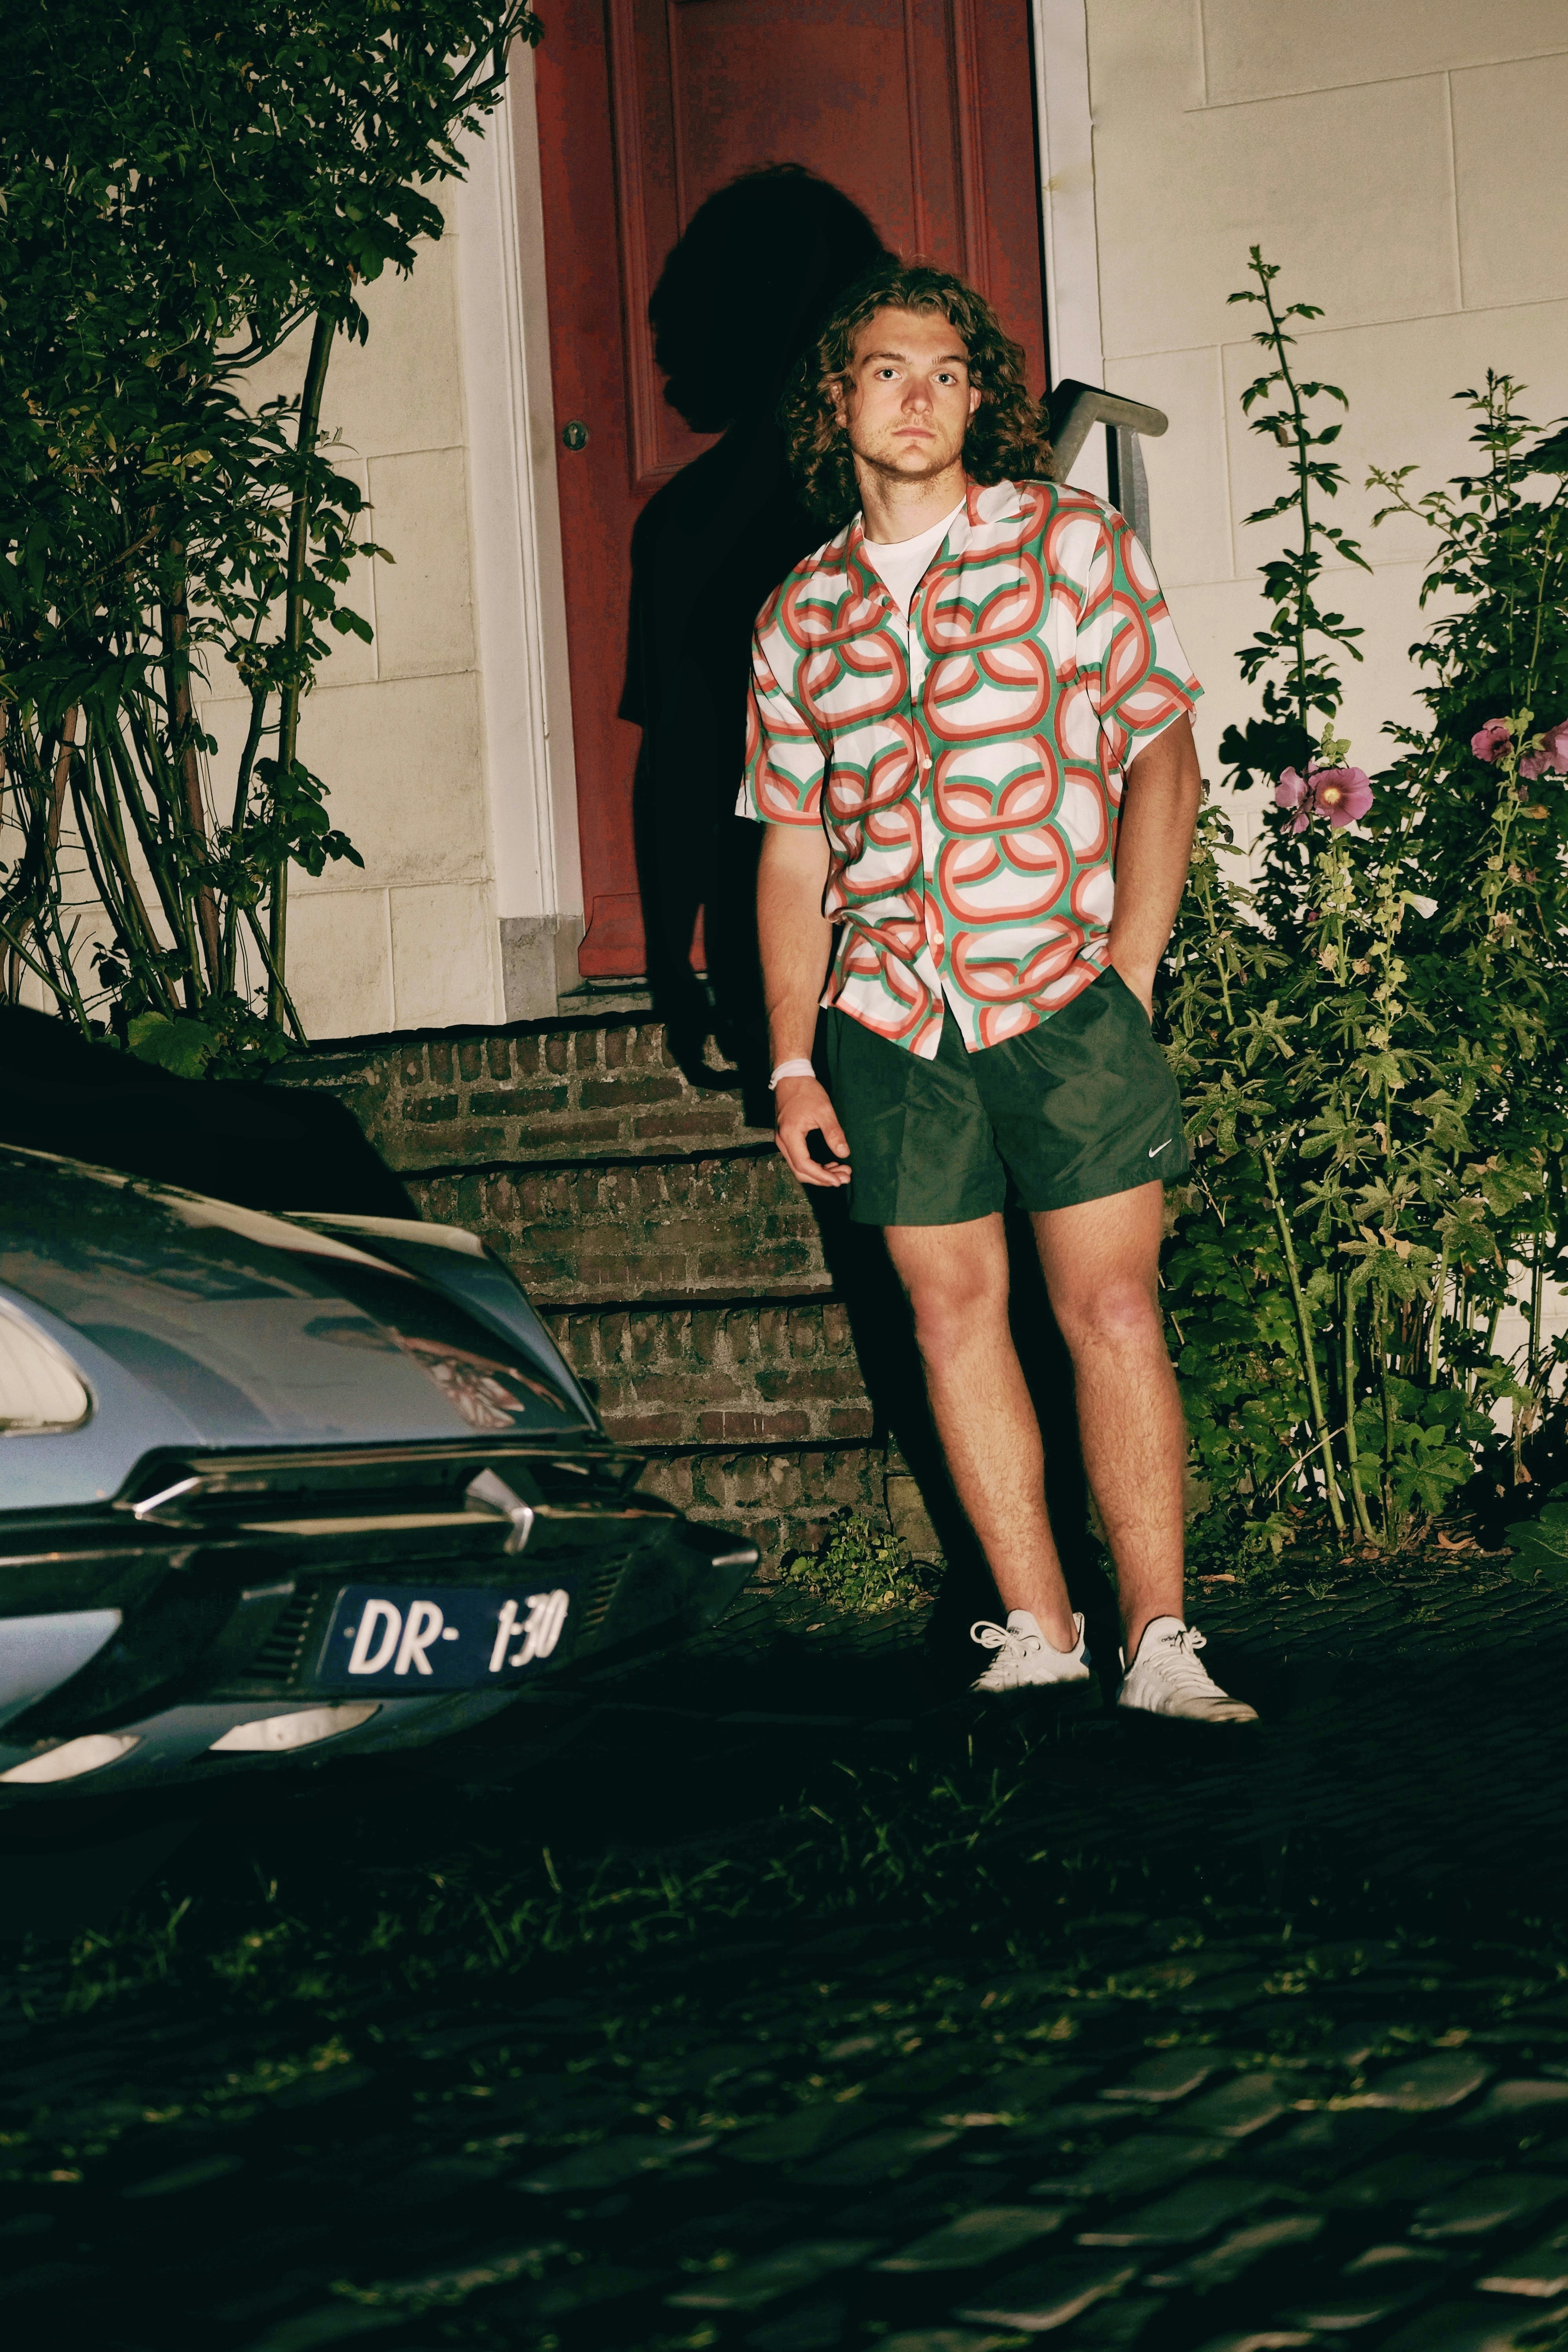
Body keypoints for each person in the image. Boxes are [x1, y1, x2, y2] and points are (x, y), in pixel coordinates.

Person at [739, 260, 1257, 1724]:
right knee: (950, 1316)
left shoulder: (1069, 544)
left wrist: (1132, 974)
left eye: (950, 372)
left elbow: (1162, 749)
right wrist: (791, 1059)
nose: (922, 397)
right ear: (836, 396)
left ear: (983, 395)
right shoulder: (801, 613)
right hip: (892, 1019)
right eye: (889, 370)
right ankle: (1039, 1625)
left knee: (1109, 1308)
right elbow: (792, 849)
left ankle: (1161, 1643)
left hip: (1061, 992)